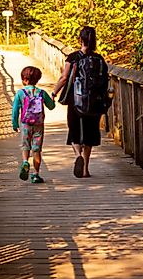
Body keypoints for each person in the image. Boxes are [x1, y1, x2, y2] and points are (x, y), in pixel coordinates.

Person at [50, 26, 108, 178]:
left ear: (80, 39)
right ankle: (86, 169)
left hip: (75, 100)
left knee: (74, 129)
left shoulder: (73, 57)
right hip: (94, 102)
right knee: (89, 132)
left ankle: (77, 156)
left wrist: (54, 93)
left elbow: (64, 78)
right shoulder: (99, 59)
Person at [12, 66, 56, 183]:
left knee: (25, 146)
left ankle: (25, 162)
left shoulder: (21, 93)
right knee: (36, 149)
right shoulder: (41, 93)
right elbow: (51, 106)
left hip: (25, 124)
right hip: (38, 125)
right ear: (37, 79)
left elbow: (15, 110)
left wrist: (15, 124)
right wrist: (52, 99)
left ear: (24, 79)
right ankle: (36, 174)